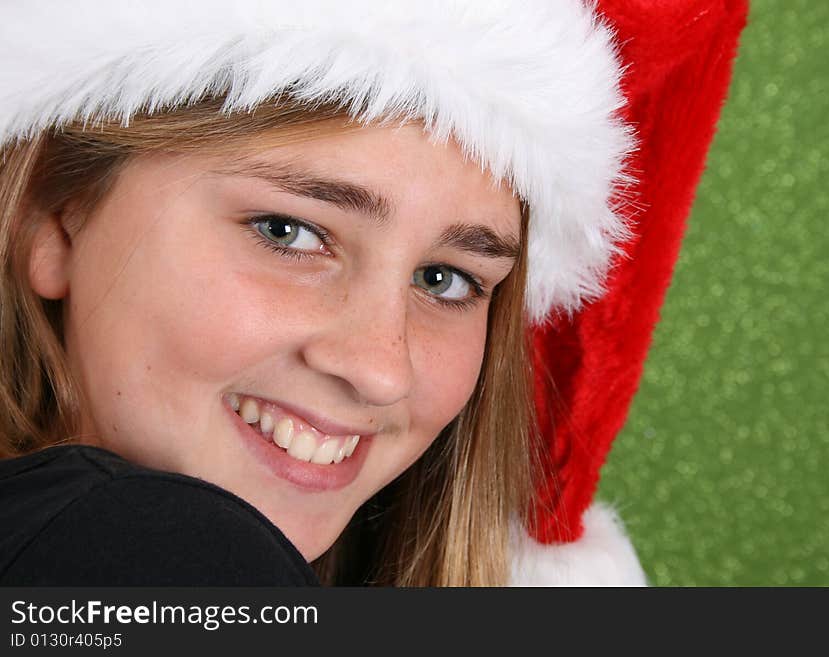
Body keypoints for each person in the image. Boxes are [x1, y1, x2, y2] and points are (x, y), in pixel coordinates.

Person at [0, 0, 747, 586]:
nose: (379, 366)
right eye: (289, 231)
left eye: (445, 279)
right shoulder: (133, 550)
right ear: (51, 221)